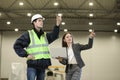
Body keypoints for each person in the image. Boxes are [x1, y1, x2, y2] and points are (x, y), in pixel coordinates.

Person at [13, 14, 62, 80]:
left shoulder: (45, 35)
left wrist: (57, 25)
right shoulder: (28, 34)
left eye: (42, 21)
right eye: (39, 20)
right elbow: (17, 45)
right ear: (34, 22)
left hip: (42, 65)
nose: (41, 22)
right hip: (32, 65)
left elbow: (54, 35)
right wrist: (26, 54)